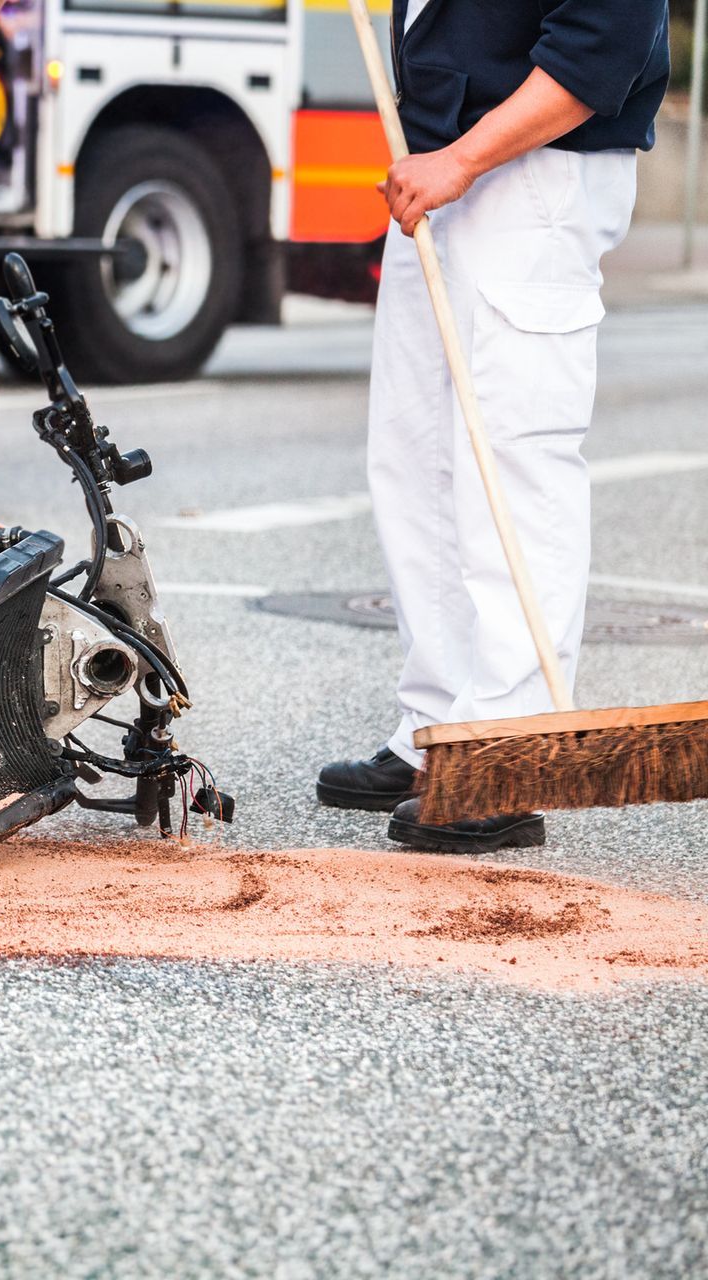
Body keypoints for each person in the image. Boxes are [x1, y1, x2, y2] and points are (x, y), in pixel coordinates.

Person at [316, 0, 668, 852]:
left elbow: (603, 42)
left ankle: (512, 748)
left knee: (514, 460)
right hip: (442, 160)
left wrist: (464, 160)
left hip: (532, 171)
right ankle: (441, 727)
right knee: (418, 457)